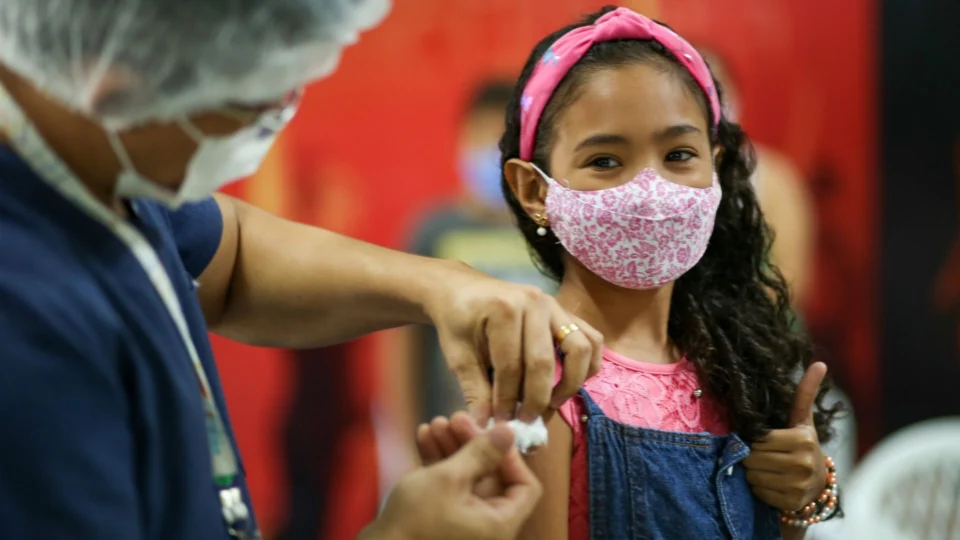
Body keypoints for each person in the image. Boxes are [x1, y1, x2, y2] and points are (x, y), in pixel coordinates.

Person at [0, 1, 606, 539]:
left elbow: (233, 256)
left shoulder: (99, 169)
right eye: (250, 97)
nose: (275, 113)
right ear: (115, 79)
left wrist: (444, 285)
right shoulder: (25, 327)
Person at [417, 7, 843, 540]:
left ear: (715, 165)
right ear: (535, 190)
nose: (650, 191)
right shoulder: (544, 380)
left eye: (679, 154)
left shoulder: (738, 365)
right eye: (605, 161)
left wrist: (801, 499)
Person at [400, 80, 558, 432]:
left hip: (542, 427)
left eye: (501, 140)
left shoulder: (552, 232)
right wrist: (405, 439)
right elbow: (404, 344)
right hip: (453, 426)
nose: (490, 151)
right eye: (480, 135)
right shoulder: (436, 230)